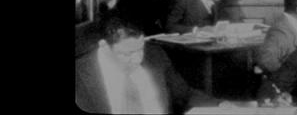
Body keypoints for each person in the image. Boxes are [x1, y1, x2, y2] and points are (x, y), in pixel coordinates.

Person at [75, 16, 227, 114]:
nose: (137, 60)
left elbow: (184, 94)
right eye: (127, 54)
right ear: (104, 47)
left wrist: (221, 106)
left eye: (140, 49)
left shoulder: (155, 55)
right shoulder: (80, 75)